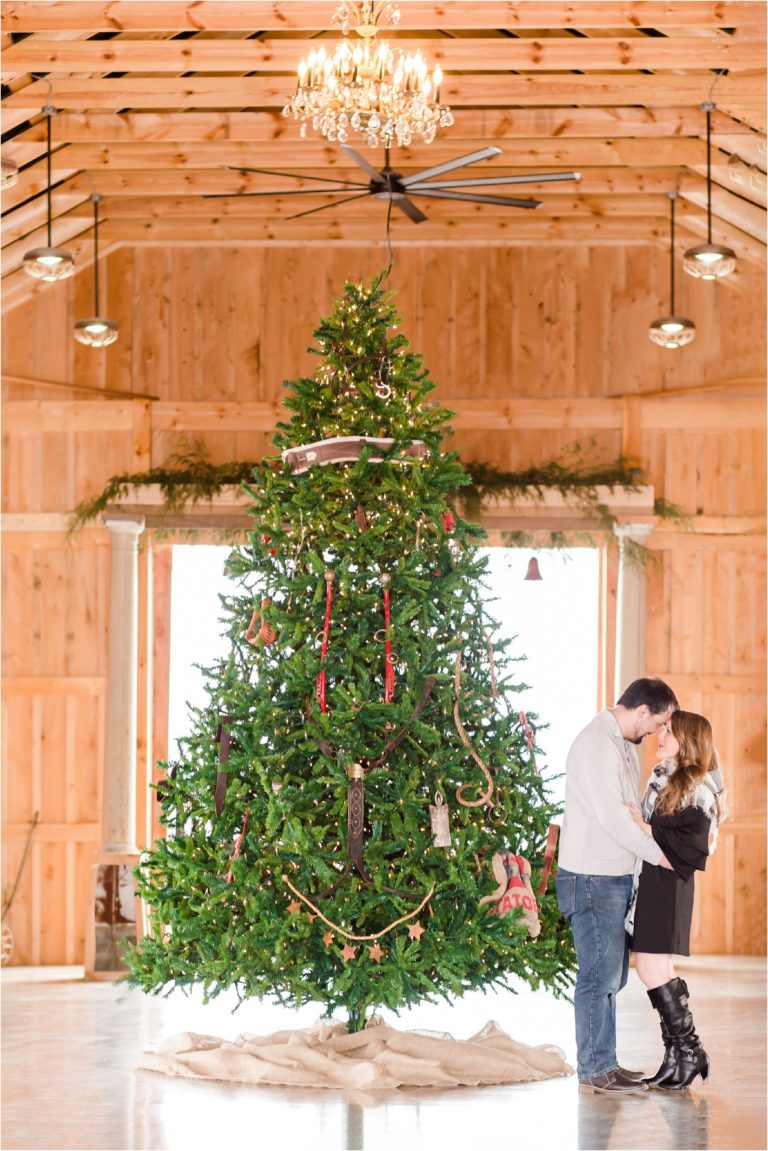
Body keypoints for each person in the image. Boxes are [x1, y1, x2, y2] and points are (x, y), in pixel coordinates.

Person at [556, 677, 679, 1095]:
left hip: (611, 876)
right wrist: (659, 854)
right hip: (592, 877)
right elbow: (613, 820)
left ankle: (605, 1063)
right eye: (658, 723)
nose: (657, 733)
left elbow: (629, 815)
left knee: (612, 976)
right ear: (642, 711)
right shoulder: (597, 745)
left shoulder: (621, 745)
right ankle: (594, 1069)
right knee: (599, 976)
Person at [627, 709, 725, 1091]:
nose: (660, 735)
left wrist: (647, 828)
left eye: (669, 731)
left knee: (651, 970)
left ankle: (689, 1050)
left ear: (689, 742)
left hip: (667, 885)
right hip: (655, 881)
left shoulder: (698, 788)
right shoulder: (666, 778)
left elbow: (696, 844)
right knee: (655, 969)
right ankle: (680, 1054)